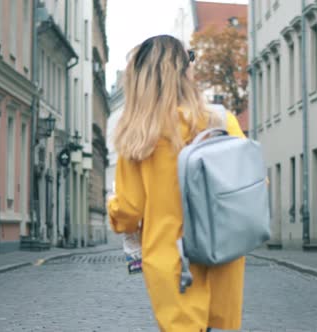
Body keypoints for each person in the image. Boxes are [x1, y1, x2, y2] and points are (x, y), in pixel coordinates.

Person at [108, 35, 246, 332]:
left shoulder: (139, 135)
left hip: (173, 262)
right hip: (222, 256)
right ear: (185, 73)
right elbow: (251, 184)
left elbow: (129, 210)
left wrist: (113, 208)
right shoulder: (221, 121)